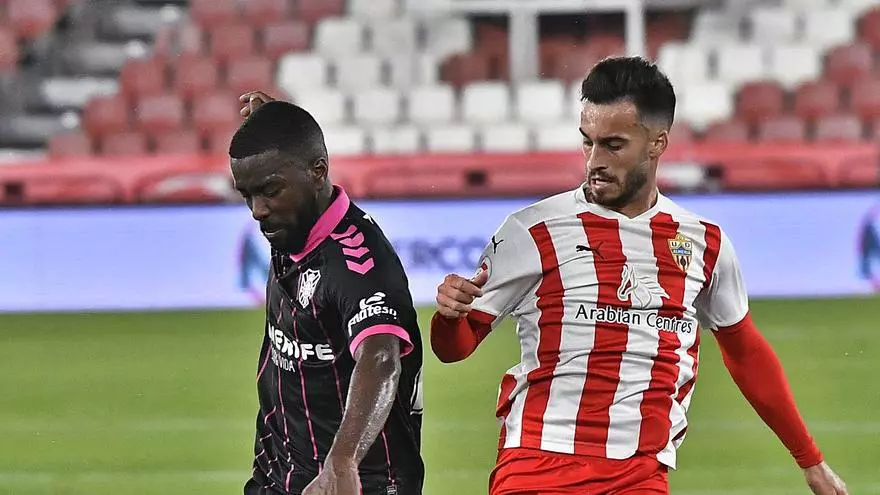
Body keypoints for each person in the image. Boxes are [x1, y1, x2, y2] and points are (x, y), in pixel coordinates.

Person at [430, 57, 848, 495]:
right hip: (538, 467)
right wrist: (450, 317)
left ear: (657, 142)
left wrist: (811, 462)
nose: (595, 160)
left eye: (613, 145)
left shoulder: (703, 243)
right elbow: (453, 348)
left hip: (640, 475)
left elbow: (745, 353)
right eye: (587, 142)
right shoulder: (532, 230)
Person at [231, 92, 424, 495]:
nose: (257, 210)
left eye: (269, 190)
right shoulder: (293, 225)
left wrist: (342, 461)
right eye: (247, 195)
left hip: (361, 484)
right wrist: (277, 120)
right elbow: (292, 153)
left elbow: (381, 356)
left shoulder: (358, 264)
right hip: (277, 477)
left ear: (318, 173)